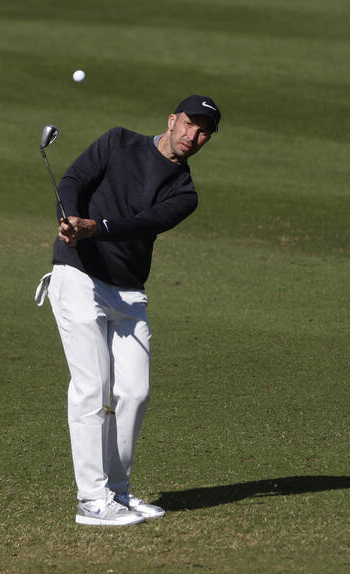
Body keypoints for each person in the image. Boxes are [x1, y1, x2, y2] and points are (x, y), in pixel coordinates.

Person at [43, 95, 221, 526]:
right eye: (190, 125)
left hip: (128, 293)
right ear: (172, 120)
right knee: (92, 387)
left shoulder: (184, 192)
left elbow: (142, 223)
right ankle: (91, 500)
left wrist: (93, 228)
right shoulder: (118, 142)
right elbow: (73, 178)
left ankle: (116, 494)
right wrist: (69, 215)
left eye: (204, 133)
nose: (193, 137)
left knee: (135, 393)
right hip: (78, 278)